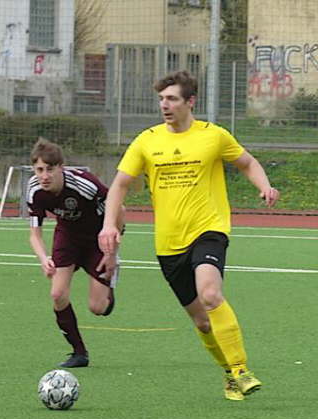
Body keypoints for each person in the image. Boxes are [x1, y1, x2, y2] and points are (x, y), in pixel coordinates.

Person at [98, 70, 280, 401]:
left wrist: (264, 185)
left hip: (209, 229)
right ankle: (228, 373)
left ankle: (240, 368)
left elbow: (247, 162)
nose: (164, 105)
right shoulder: (147, 141)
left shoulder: (213, 136)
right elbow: (120, 186)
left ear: (190, 101)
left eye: (172, 99)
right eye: (161, 99)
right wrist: (109, 224)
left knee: (210, 294)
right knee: (202, 322)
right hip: (168, 244)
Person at [27, 137, 123, 368]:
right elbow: (34, 234)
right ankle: (79, 352)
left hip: (98, 239)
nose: (44, 176)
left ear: (61, 167)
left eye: (50, 169)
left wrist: (112, 251)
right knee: (57, 294)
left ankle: (110, 284)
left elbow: (119, 208)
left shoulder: (85, 184)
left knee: (97, 308)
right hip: (67, 237)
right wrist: (43, 258)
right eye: (39, 170)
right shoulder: (34, 190)